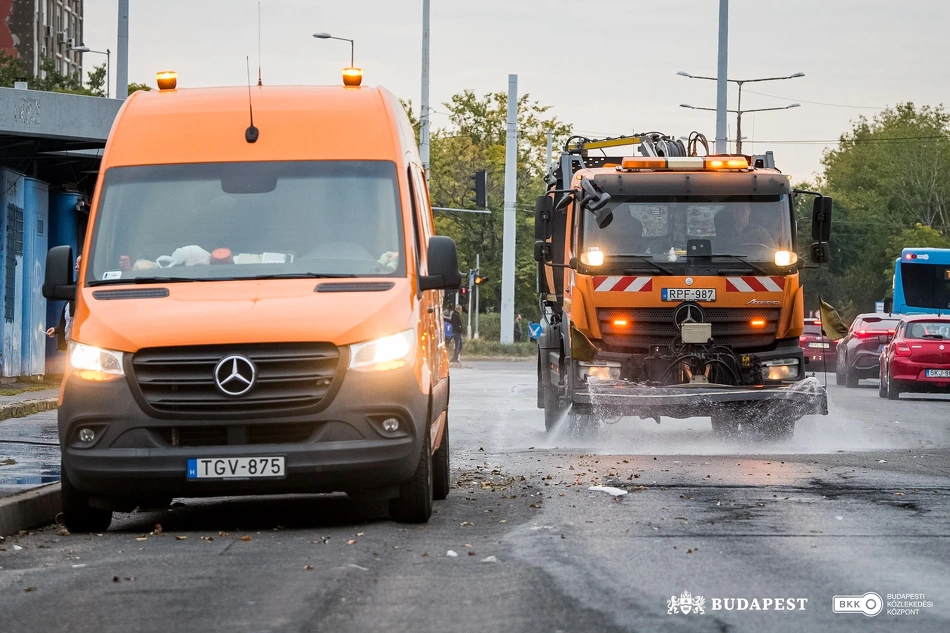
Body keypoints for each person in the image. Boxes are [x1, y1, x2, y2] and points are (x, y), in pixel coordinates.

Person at [46, 255, 80, 351]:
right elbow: (69, 320)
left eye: (79, 264)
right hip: (69, 346)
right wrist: (57, 330)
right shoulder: (73, 289)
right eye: (76, 263)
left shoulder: (85, 291)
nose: (76, 267)